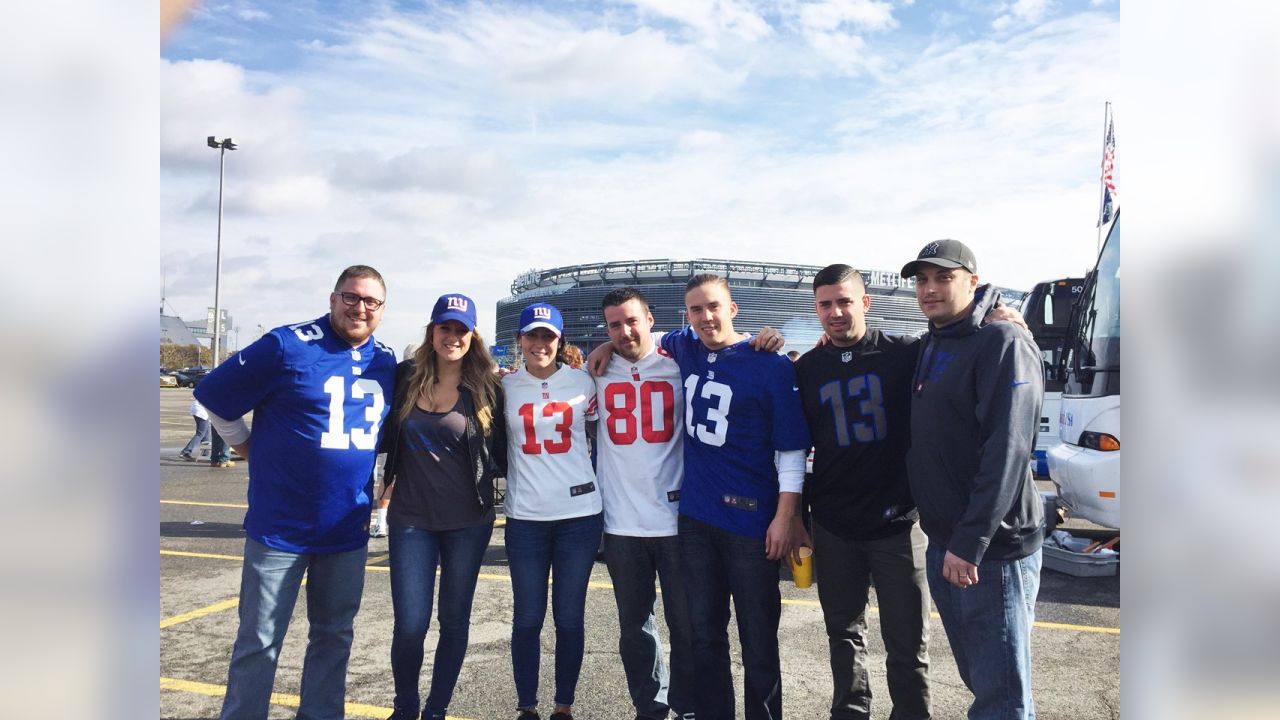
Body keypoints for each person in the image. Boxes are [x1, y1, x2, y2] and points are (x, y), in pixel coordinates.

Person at [194, 265, 398, 720]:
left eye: (371, 301)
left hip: (346, 527)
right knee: (260, 640)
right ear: (332, 298)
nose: (359, 308)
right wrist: (247, 448)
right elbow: (214, 397)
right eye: (351, 297)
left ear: (383, 309)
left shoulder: (385, 361)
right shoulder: (287, 345)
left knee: (334, 636)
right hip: (280, 527)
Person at [901, 240, 1044, 720]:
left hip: (989, 551)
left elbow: (1007, 450)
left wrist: (971, 540)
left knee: (1002, 693)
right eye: (922, 279)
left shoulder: (1003, 342)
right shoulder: (933, 341)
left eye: (943, 277)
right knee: (983, 681)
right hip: (948, 541)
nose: (930, 288)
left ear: (972, 281)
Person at [657, 274, 811, 720]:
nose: (706, 317)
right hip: (697, 517)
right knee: (703, 635)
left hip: (751, 520)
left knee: (759, 639)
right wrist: (606, 346)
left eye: (714, 307)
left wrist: (786, 516)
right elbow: (645, 334)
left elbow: (791, 450)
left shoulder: (770, 362)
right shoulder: (684, 345)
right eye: (696, 310)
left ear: (734, 308)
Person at [793, 264, 931, 720]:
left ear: (865, 303)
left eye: (844, 301)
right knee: (843, 632)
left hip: (897, 521)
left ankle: (912, 713)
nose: (835, 312)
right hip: (834, 523)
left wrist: (999, 314)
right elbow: (795, 448)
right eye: (825, 304)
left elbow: (963, 338)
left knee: (907, 638)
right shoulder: (807, 369)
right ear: (816, 309)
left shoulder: (905, 352)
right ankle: (850, 711)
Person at [380, 293, 506, 720]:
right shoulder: (403, 378)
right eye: (445, 327)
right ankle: (406, 706)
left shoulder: (488, 387)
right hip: (410, 520)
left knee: (453, 621)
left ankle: (436, 708)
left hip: (469, 522)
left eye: (461, 329)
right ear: (431, 332)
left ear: (472, 336)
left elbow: (506, 452)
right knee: (411, 625)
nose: (452, 336)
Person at [592, 288, 696, 720]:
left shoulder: (680, 363)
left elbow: (722, 340)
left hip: (676, 521)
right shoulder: (593, 372)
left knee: (688, 625)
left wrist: (764, 338)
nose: (624, 331)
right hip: (620, 524)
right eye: (614, 325)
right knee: (635, 628)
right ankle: (650, 706)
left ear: (651, 319)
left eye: (631, 320)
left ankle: (689, 704)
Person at [501, 302, 602, 720]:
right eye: (532, 335)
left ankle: (564, 704)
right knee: (527, 617)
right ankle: (527, 705)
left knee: (569, 617)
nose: (540, 343)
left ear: (560, 341)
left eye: (548, 336)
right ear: (520, 339)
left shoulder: (584, 381)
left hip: (579, 514)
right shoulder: (504, 386)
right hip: (525, 516)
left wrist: (609, 347)